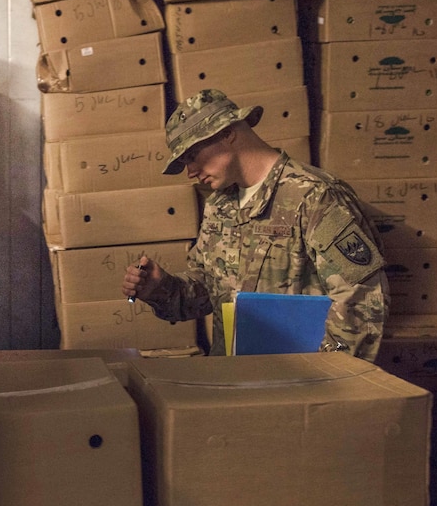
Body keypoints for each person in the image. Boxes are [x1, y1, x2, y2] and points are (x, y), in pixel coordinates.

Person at [121, 88, 389, 361]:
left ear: (227, 133)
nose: (190, 171)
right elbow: (209, 291)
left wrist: (329, 377)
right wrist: (161, 288)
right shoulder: (220, 205)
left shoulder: (314, 196)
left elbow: (361, 299)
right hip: (234, 380)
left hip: (298, 385)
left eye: (192, 156)